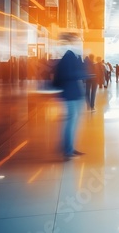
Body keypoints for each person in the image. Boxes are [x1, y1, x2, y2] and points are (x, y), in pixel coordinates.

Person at [52, 32, 87, 161]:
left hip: (73, 93)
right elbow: (69, 74)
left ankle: (69, 148)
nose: (78, 42)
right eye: (76, 40)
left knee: (72, 122)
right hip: (71, 93)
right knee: (70, 122)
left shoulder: (70, 55)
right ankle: (67, 149)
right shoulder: (69, 56)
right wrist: (81, 72)